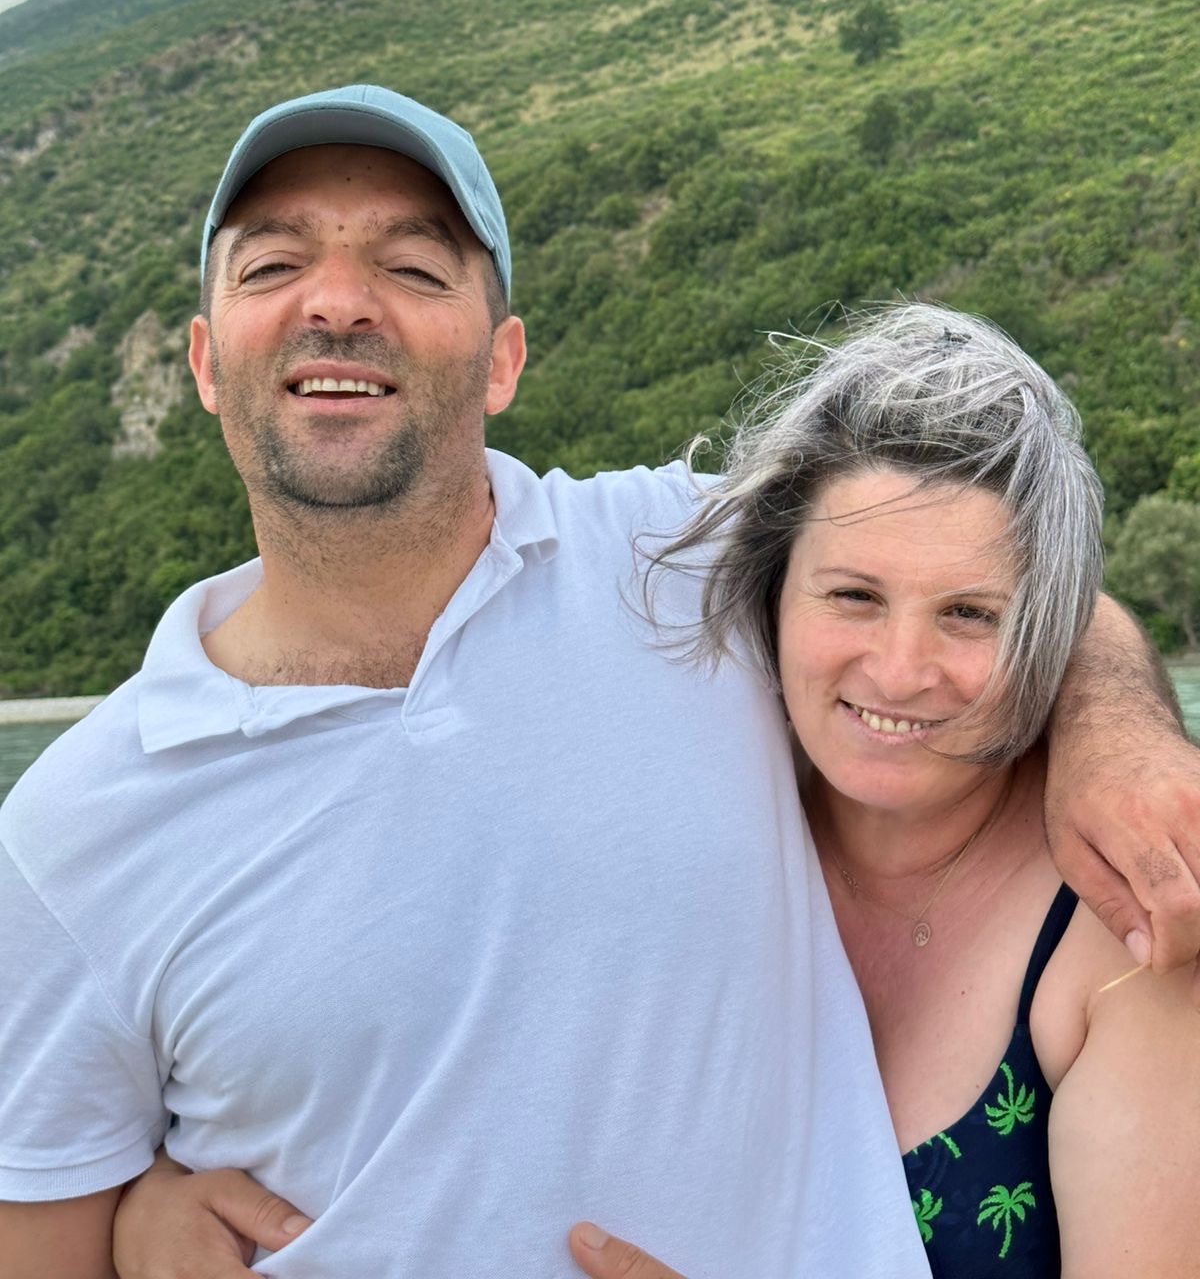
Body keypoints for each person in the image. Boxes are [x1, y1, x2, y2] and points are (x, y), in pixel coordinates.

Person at [0, 88, 1195, 1279]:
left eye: (413, 267)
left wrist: (1125, 737)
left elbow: (977, 572)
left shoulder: (674, 562)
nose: (339, 301)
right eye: (273, 265)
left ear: (504, 358)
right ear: (205, 362)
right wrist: (132, 1214)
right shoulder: (74, 837)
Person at [562, 307, 1200, 1276]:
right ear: (772, 595)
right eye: (854, 595)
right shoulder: (684, 806)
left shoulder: (1124, 922)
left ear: (1046, 635)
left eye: (969, 613)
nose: (900, 671)